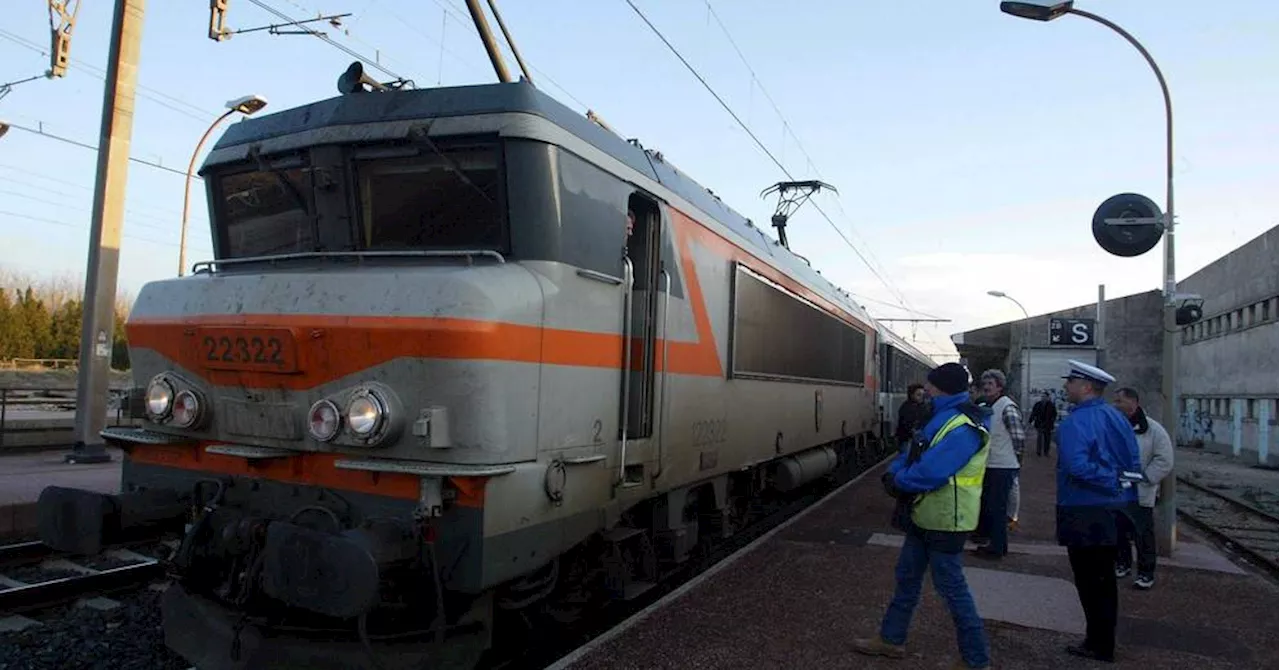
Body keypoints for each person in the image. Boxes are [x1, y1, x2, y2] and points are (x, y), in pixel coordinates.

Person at [854, 362, 992, 669]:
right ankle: (891, 640)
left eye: (930, 385)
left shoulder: (964, 426)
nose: (926, 389)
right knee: (907, 578)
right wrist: (893, 472)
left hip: (947, 520)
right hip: (924, 514)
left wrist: (898, 481)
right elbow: (910, 452)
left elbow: (932, 471)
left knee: (952, 589)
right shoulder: (939, 417)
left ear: (942, 387)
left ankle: (976, 659)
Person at [1055, 360, 1142, 663]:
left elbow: (1076, 466)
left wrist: (1107, 480)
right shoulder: (1116, 417)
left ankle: (1097, 644)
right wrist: (1119, 484)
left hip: (1083, 508)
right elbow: (1132, 462)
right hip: (1115, 508)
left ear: (1086, 387)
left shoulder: (1075, 422)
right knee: (1105, 581)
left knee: (1088, 581)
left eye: (1071, 382)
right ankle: (1103, 642)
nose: (1066, 386)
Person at [1111, 387, 1174, 590]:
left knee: (1143, 534)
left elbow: (1164, 459)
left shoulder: (1154, 430)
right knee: (1118, 531)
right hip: (1118, 490)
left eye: (1120, 401)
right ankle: (1122, 563)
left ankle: (1146, 572)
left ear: (1133, 403)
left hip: (1140, 492)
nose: (1116, 405)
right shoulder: (1115, 426)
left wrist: (1147, 478)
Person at [971, 369, 1024, 559]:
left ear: (1000, 387)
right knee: (992, 506)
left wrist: (1016, 460)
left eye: (990, 384)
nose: (986, 387)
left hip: (1002, 466)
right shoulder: (991, 405)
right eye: (984, 383)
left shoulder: (1007, 407)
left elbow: (1018, 437)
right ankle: (993, 543)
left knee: (997, 508)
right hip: (993, 464)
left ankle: (997, 548)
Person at [895, 383, 932, 451]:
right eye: (918, 395)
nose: (921, 397)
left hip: (918, 440)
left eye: (923, 395)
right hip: (907, 440)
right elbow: (906, 424)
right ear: (912, 395)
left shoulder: (924, 407)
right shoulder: (906, 408)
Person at [1031, 392, 1058, 456]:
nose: (1043, 398)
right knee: (1039, 437)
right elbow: (1034, 413)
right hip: (1039, 423)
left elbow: (1054, 414)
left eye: (1045, 397)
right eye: (1042, 397)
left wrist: (1052, 421)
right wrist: (1031, 420)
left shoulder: (1051, 405)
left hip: (1048, 424)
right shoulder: (1038, 404)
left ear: (1048, 397)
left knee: (1047, 438)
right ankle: (1039, 451)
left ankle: (1046, 451)